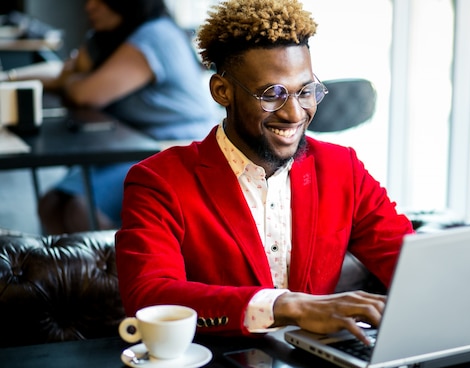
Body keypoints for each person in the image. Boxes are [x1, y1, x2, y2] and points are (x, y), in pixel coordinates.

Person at [115, 0, 414, 344]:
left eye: (306, 91)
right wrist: (287, 307)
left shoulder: (342, 169)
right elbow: (148, 298)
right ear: (222, 92)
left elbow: (411, 267)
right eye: (272, 94)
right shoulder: (158, 181)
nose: (294, 113)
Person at [27, 0, 219, 233]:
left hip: (175, 149)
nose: (89, 7)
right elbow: (66, 77)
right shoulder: (114, 38)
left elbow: (85, 95)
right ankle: (88, 268)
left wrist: (73, 78)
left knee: (80, 209)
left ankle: (121, 266)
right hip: (131, 145)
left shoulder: (154, 35)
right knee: (51, 205)